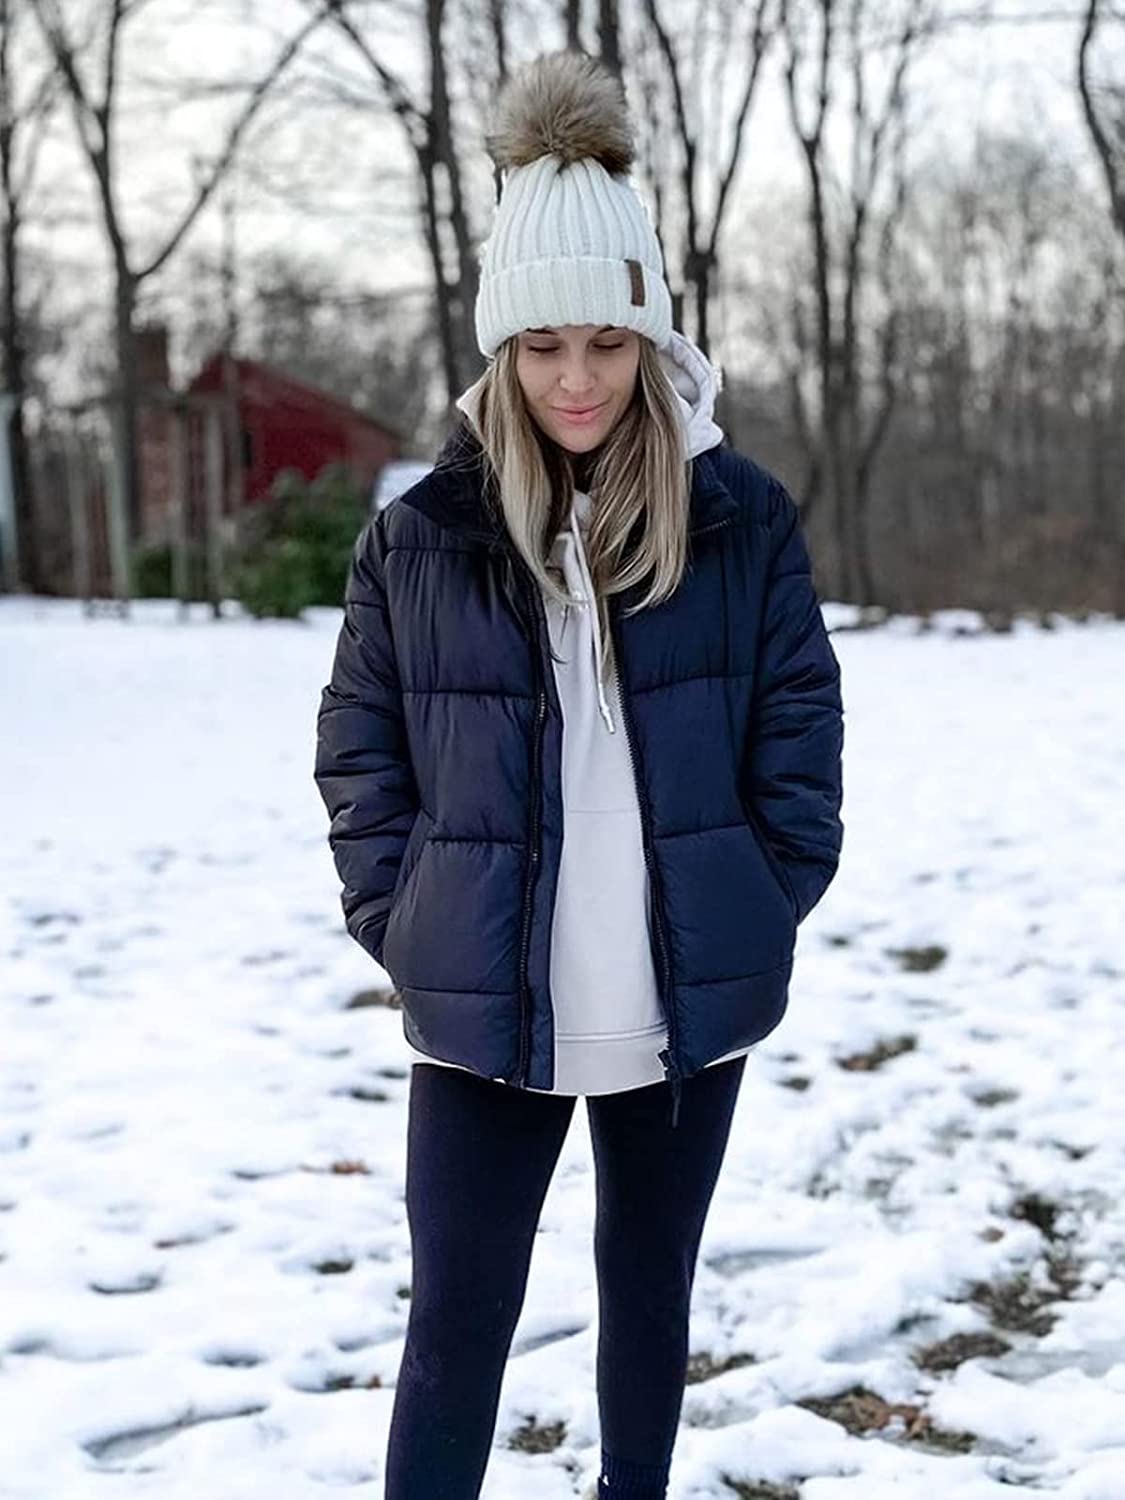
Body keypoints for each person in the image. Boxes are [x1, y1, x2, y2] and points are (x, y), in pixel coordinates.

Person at [314, 49, 844, 1500]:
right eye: (542, 345)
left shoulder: (739, 520)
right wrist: (404, 916)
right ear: (502, 349)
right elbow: (359, 746)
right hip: (484, 998)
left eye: (606, 343)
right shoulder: (420, 535)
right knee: (455, 1323)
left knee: (648, 1298)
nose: (574, 378)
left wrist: (758, 893)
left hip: (682, 995)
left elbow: (800, 729)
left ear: (650, 341)